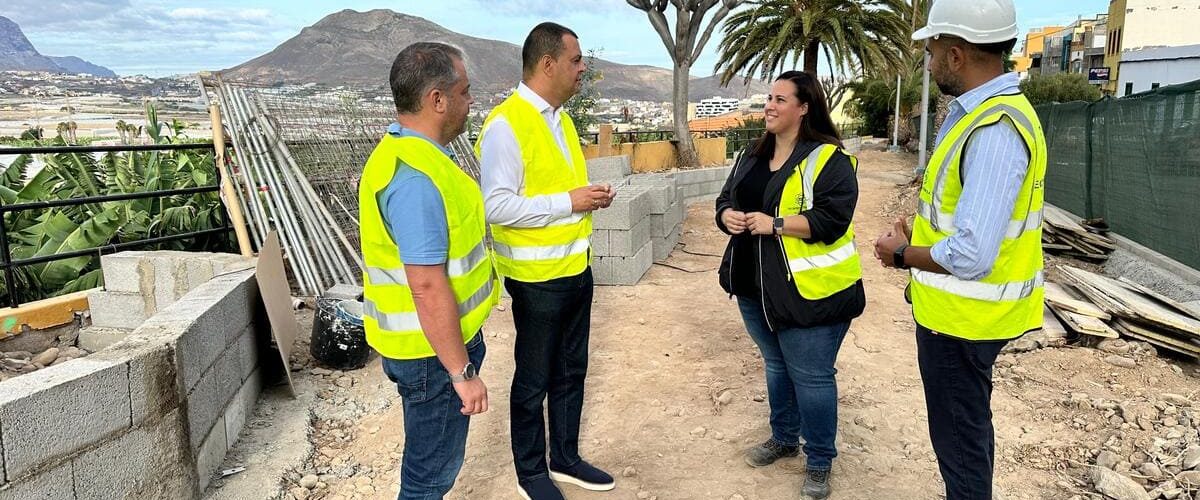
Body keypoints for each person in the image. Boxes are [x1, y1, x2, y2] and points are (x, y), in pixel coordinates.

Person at [873, 0, 1047, 498]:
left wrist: (900, 255)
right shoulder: (983, 114)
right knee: (966, 433)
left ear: (956, 56)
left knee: (961, 446)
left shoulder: (993, 128)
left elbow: (971, 254)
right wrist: (918, 236)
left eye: (931, 53)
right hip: (958, 315)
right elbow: (966, 219)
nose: (927, 64)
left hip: (963, 322)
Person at [474, 22, 616, 500]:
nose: (583, 69)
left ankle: (567, 458)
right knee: (534, 380)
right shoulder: (504, 126)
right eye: (576, 61)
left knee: (571, 370)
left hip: (576, 271)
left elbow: (559, 189)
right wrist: (570, 202)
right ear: (548, 64)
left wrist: (591, 198)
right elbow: (495, 206)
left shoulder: (562, 119)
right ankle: (531, 472)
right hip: (536, 281)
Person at [715, 70, 865, 500]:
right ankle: (783, 438)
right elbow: (726, 199)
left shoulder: (828, 159)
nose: (770, 105)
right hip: (753, 288)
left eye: (781, 99)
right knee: (777, 366)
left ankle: (819, 461)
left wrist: (774, 224)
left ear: (804, 107)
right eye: (769, 97)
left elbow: (833, 220)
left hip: (810, 294)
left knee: (813, 378)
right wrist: (727, 216)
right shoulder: (751, 154)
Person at [358, 42, 500, 499]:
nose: (470, 101)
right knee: (429, 478)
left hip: (426, 349)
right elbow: (425, 284)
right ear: (437, 100)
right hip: (433, 356)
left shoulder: (407, 154)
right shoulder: (415, 180)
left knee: (429, 468)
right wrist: (461, 373)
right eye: (465, 91)